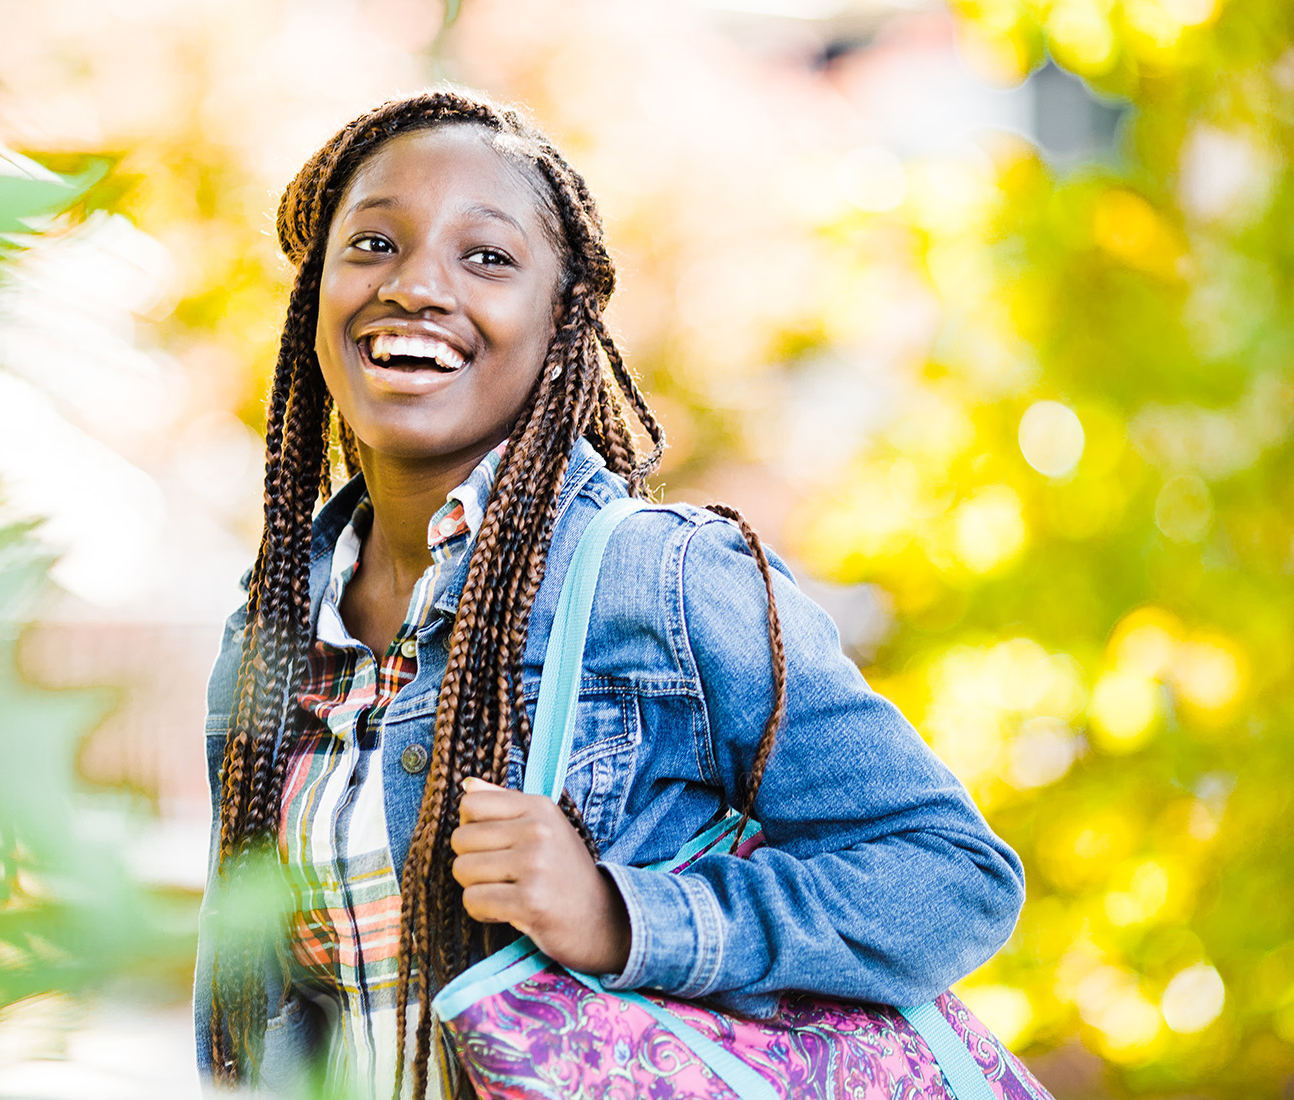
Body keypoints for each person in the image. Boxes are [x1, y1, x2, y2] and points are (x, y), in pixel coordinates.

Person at [193, 89, 1026, 1099]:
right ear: (313, 292)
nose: (414, 284)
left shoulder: (661, 579)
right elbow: (270, 1027)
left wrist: (623, 914)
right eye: (372, 242)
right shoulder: (272, 632)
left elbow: (951, 875)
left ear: (560, 321)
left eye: (486, 257)